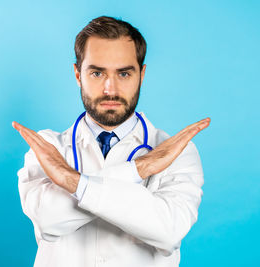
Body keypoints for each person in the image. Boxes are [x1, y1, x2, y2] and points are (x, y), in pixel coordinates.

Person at [12, 15, 210, 267]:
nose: (110, 89)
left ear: (142, 74)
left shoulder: (177, 151)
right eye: (96, 73)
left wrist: (71, 181)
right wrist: (138, 170)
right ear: (77, 74)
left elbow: (168, 231)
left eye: (124, 73)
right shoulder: (49, 147)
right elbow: (48, 221)